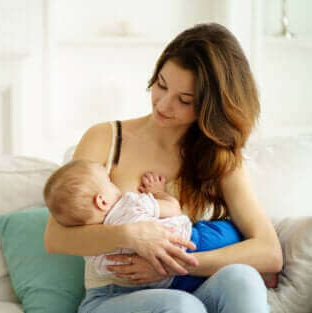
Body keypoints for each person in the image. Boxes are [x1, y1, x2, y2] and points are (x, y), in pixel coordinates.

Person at [44, 23, 282, 313]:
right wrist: (133, 235)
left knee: (242, 279)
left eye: (184, 100)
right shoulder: (107, 138)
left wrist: (174, 265)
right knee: (181, 307)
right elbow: (55, 238)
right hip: (112, 297)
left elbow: (269, 251)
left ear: (211, 107)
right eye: (161, 85)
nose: (164, 105)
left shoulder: (217, 157)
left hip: (188, 286)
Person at [43, 159, 243, 292]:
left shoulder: (94, 254)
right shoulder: (130, 204)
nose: (115, 185)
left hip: (169, 283)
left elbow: (123, 274)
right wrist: (158, 192)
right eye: (109, 182)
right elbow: (173, 209)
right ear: (102, 201)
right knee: (232, 233)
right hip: (194, 242)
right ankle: (259, 270)